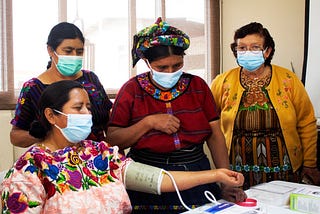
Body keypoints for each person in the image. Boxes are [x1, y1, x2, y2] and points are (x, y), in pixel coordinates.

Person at [0, 80, 245, 213]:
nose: (88, 114)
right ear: (51, 116)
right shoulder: (29, 170)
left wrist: (215, 174)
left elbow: (156, 179)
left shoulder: (99, 154)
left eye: (88, 107)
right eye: (78, 108)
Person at [107, 17, 247, 213]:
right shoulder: (131, 90)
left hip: (196, 172)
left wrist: (226, 182)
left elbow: (215, 136)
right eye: (162, 68)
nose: (171, 72)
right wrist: (148, 123)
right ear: (147, 62)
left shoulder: (198, 86)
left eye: (177, 65)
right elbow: (113, 140)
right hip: (147, 176)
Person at [210, 22, 320, 190]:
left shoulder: (288, 80)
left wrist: (310, 163)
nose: (247, 52)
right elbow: (211, 122)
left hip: (283, 166)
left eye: (255, 48)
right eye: (242, 48)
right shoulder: (222, 81)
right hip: (237, 167)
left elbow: (306, 123)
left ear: (267, 51)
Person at [10, 22, 112, 148]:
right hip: (57, 161)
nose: (74, 56)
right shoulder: (34, 88)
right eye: (68, 51)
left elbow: (109, 120)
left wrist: (115, 152)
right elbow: (15, 136)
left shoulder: (91, 79)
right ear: (50, 50)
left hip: (96, 158)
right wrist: (39, 134)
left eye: (79, 52)